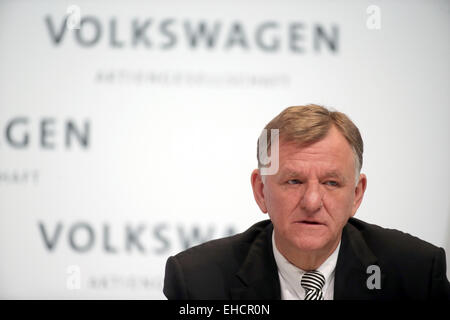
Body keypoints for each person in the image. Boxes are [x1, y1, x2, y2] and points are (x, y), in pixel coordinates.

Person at [163, 104, 450, 300]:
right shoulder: (198, 283)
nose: (312, 202)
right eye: (294, 181)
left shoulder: (416, 275)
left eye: (331, 183)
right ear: (261, 191)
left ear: (357, 194)